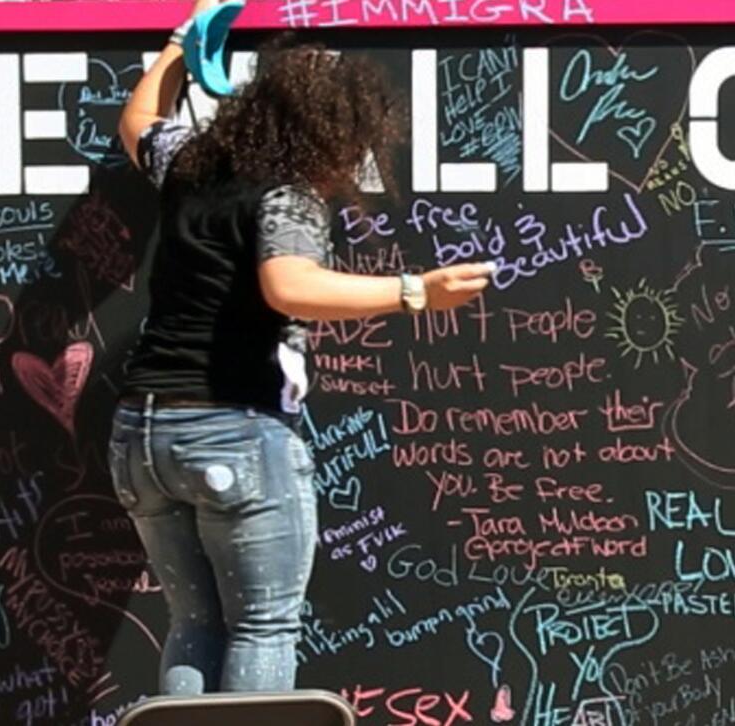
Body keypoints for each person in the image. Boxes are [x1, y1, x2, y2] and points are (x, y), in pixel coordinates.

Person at [111, 0, 495, 696]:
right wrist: (416, 292)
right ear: (329, 132)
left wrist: (182, 41)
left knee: (193, 621)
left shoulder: (192, 165)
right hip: (234, 430)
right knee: (263, 626)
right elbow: (288, 285)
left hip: (143, 434)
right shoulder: (288, 195)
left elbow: (137, 123)